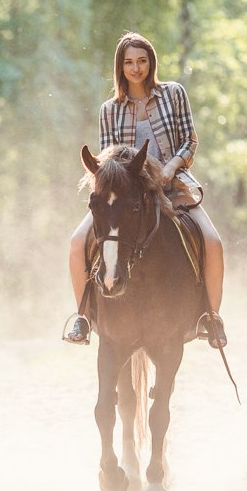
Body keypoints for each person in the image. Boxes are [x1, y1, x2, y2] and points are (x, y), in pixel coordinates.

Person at [64, 31, 226, 347]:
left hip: (172, 185)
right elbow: (107, 157)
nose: (136, 68)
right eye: (129, 63)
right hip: (126, 194)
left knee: (213, 242)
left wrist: (169, 168)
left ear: (151, 62)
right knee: (76, 243)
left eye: (142, 61)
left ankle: (211, 316)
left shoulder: (174, 94)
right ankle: (83, 316)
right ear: (120, 67)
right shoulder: (108, 110)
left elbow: (190, 140)